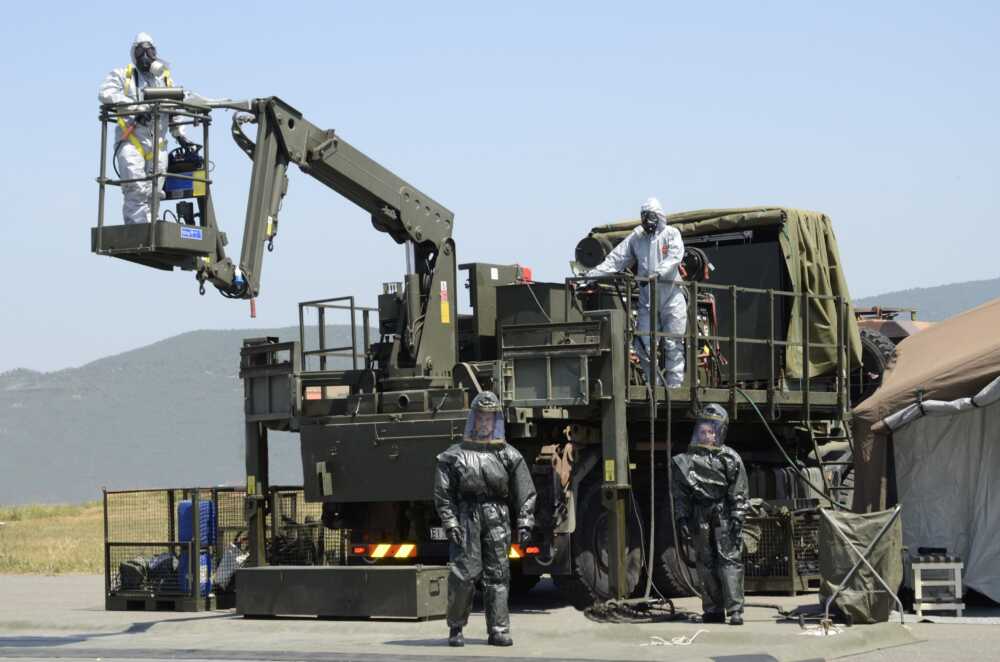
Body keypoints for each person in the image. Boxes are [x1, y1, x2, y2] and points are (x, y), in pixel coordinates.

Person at [433, 391, 536, 647]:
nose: (484, 422)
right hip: (467, 516)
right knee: (462, 575)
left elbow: (525, 492)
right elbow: (442, 494)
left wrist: (525, 521)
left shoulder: (508, 454)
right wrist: (451, 522)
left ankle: (498, 630)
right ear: (473, 419)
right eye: (480, 417)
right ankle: (456, 628)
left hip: (497, 517)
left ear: (496, 421)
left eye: (489, 418)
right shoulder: (453, 455)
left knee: (499, 575)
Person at [585, 197, 687, 387]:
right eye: (643, 217)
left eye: (649, 217)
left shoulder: (672, 234)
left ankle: (674, 388)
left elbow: (674, 257)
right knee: (643, 345)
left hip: (671, 295)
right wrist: (589, 277)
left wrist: (657, 273)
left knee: (673, 344)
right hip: (648, 299)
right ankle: (653, 386)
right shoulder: (637, 237)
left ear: (658, 216)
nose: (646, 221)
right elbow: (616, 259)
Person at [99, 32, 192, 224]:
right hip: (132, 140)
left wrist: (181, 134)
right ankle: (138, 231)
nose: (145, 56)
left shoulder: (164, 79)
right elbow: (105, 93)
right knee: (135, 188)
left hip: (158, 144)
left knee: (155, 191)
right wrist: (135, 107)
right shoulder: (124, 75)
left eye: (150, 51)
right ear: (134, 53)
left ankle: (152, 231)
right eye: (141, 51)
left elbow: (175, 108)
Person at [671, 404, 749, 625]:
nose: (707, 435)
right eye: (703, 431)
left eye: (711, 431)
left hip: (723, 512)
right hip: (700, 514)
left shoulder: (730, 458)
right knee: (705, 563)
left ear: (719, 432)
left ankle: (735, 610)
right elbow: (681, 493)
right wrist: (682, 518)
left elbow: (739, 489)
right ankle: (713, 609)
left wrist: (737, 515)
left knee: (729, 561)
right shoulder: (687, 460)